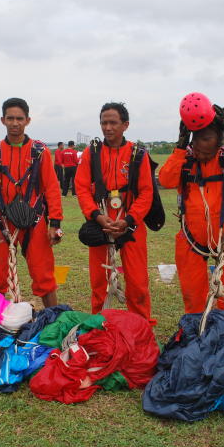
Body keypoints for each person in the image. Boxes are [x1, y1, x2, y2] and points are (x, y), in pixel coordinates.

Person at [158, 99, 224, 319]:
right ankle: (197, 332)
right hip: (191, 239)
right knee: (193, 297)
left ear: (218, 140)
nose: (199, 145)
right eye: (196, 139)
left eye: (206, 138)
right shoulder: (185, 161)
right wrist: (180, 146)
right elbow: (166, 180)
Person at [0, 98, 63, 308]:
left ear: (27, 120)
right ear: (2, 120)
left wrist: (55, 223)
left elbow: (52, 188)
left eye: (19, 119)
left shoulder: (39, 152)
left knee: (43, 274)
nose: (15, 123)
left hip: (35, 220)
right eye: (10, 118)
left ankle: (54, 318)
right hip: (2, 221)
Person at [75, 102, 155, 324]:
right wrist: (96, 216)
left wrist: (129, 220)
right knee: (99, 283)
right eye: (104, 123)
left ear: (125, 125)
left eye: (113, 123)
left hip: (131, 224)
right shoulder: (92, 153)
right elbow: (81, 188)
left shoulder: (138, 154)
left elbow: (146, 192)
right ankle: (98, 328)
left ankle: (141, 329)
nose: (107, 128)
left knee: (138, 283)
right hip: (100, 223)